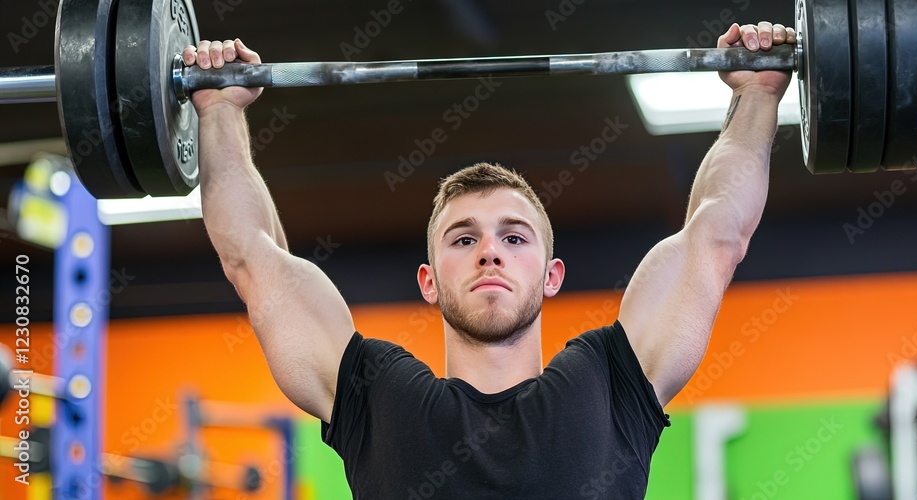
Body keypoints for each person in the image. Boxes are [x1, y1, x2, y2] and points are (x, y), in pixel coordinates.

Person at [183, 21, 794, 499]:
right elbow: (250, 257)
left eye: (515, 237)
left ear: (552, 274)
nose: (490, 253)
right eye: (463, 239)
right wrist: (218, 112)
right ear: (428, 280)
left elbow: (716, 232)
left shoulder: (611, 382)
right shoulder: (379, 397)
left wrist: (758, 96)